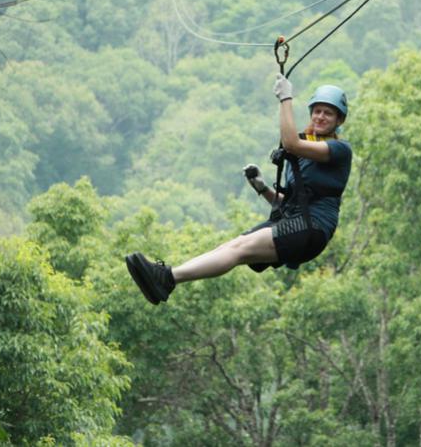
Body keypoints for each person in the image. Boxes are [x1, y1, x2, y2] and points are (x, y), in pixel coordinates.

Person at [125, 73, 353, 305]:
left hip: (313, 228)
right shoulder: (305, 154)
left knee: (239, 248)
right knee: (231, 247)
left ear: (339, 120)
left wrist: (286, 98)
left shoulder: (339, 150)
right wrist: (262, 188)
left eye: (328, 113)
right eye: (317, 111)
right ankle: (165, 280)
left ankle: (167, 278)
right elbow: (292, 202)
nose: (321, 117)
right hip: (299, 221)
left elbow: (290, 143)